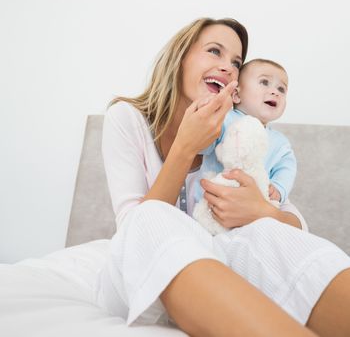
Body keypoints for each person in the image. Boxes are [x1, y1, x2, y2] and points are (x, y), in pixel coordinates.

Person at [96, 17, 350, 337]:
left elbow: (296, 223)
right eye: (214, 51)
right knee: (149, 217)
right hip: (140, 275)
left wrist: (262, 210)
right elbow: (134, 233)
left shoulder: (236, 131)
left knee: (264, 234)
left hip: (220, 269)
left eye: (236, 62)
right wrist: (186, 146)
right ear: (180, 58)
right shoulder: (126, 118)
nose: (228, 67)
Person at [195, 58, 296, 209]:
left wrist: (279, 188)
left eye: (281, 89)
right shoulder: (224, 120)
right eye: (264, 82)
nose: (275, 92)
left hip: (251, 211)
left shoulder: (280, 143)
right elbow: (202, 146)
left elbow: (287, 168)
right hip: (211, 203)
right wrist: (203, 116)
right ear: (236, 95)